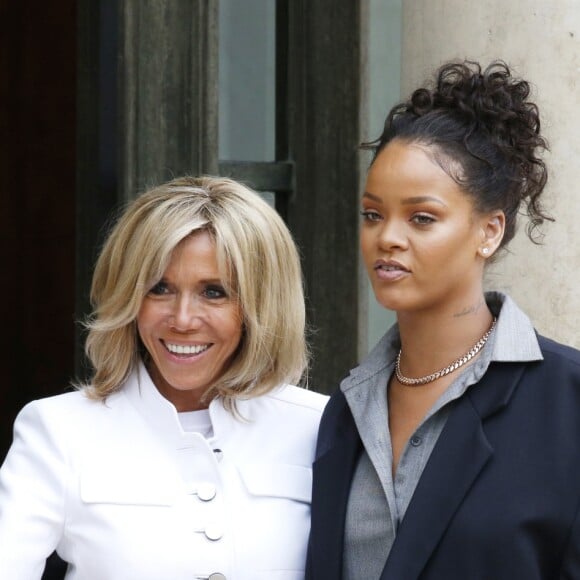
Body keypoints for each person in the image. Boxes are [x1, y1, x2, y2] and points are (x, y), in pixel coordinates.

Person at [306, 60, 580, 579]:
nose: (387, 237)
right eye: (372, 214)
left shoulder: (568, 401)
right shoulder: (347, 410)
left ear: (489, 231)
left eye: (421, 218)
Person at [0, 175, 328, 580]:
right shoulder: (58, 430)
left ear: (262, 304)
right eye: (159, 288)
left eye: (214, 292)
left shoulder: (320, 426)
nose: (183, 319)